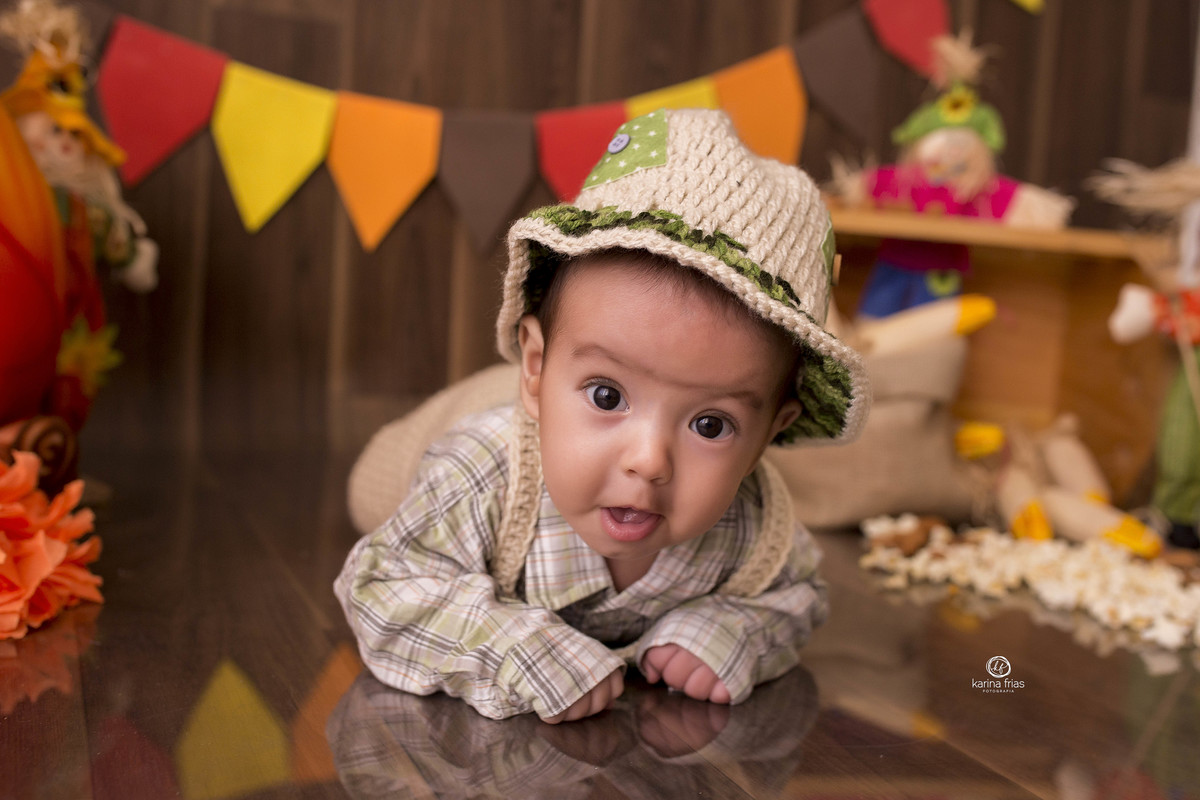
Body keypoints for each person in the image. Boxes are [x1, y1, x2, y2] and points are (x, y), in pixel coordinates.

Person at [335, 108, 870, 724]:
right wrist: (516, 650)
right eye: (608, 396)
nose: (648, 461)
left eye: (710, 425)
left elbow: (797, 596)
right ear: (534, 367)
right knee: (372, 496)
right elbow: (384, 588)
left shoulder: (752, 526)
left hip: (550, 410)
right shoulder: (479, 474)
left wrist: (729, 631)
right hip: (449, 438)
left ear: (769, 433)